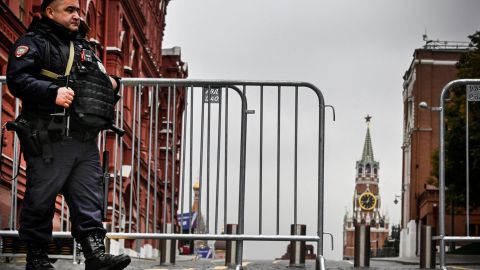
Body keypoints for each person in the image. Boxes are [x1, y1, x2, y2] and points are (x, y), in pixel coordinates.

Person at [6, 0, 130, 269]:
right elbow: (17, 79)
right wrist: (52, 92)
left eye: (78, 10)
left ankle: (95, 256)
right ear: (50, 12)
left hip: (84, 140)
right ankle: (37, 259)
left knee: (89, 200)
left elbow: (100, 80)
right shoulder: (33, 43)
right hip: (49, 137)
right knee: (41, 200)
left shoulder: (84, 47)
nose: (77, 15)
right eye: (70, 10)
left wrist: (112, 83)